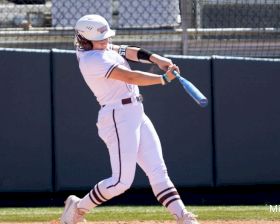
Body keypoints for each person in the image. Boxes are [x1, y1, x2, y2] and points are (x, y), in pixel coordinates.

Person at [60, 14, 199, 224]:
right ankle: (77, 208)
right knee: (120, 182)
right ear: (85, 39)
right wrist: (163, 79)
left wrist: (155, 58)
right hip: (117, 116)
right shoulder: (92, 60)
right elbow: (131, 77)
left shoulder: (98, 47)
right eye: (101, 38)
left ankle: (183, 216)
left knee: (158, 171)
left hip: (135, 111)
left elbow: (126, 50)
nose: (106, 41)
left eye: (106, 37)